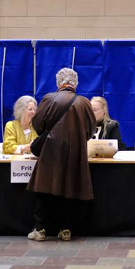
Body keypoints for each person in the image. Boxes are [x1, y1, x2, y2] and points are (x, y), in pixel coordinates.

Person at [26, 68, 96, 242]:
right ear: (75, 84)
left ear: (58, 83)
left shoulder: (49, 99)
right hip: (75, 154)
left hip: (50, 151)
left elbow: (37, 124)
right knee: (69, 189)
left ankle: (40, 230)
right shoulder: (84, 103)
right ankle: (65, 230)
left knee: (42, 190)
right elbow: (91, 130)